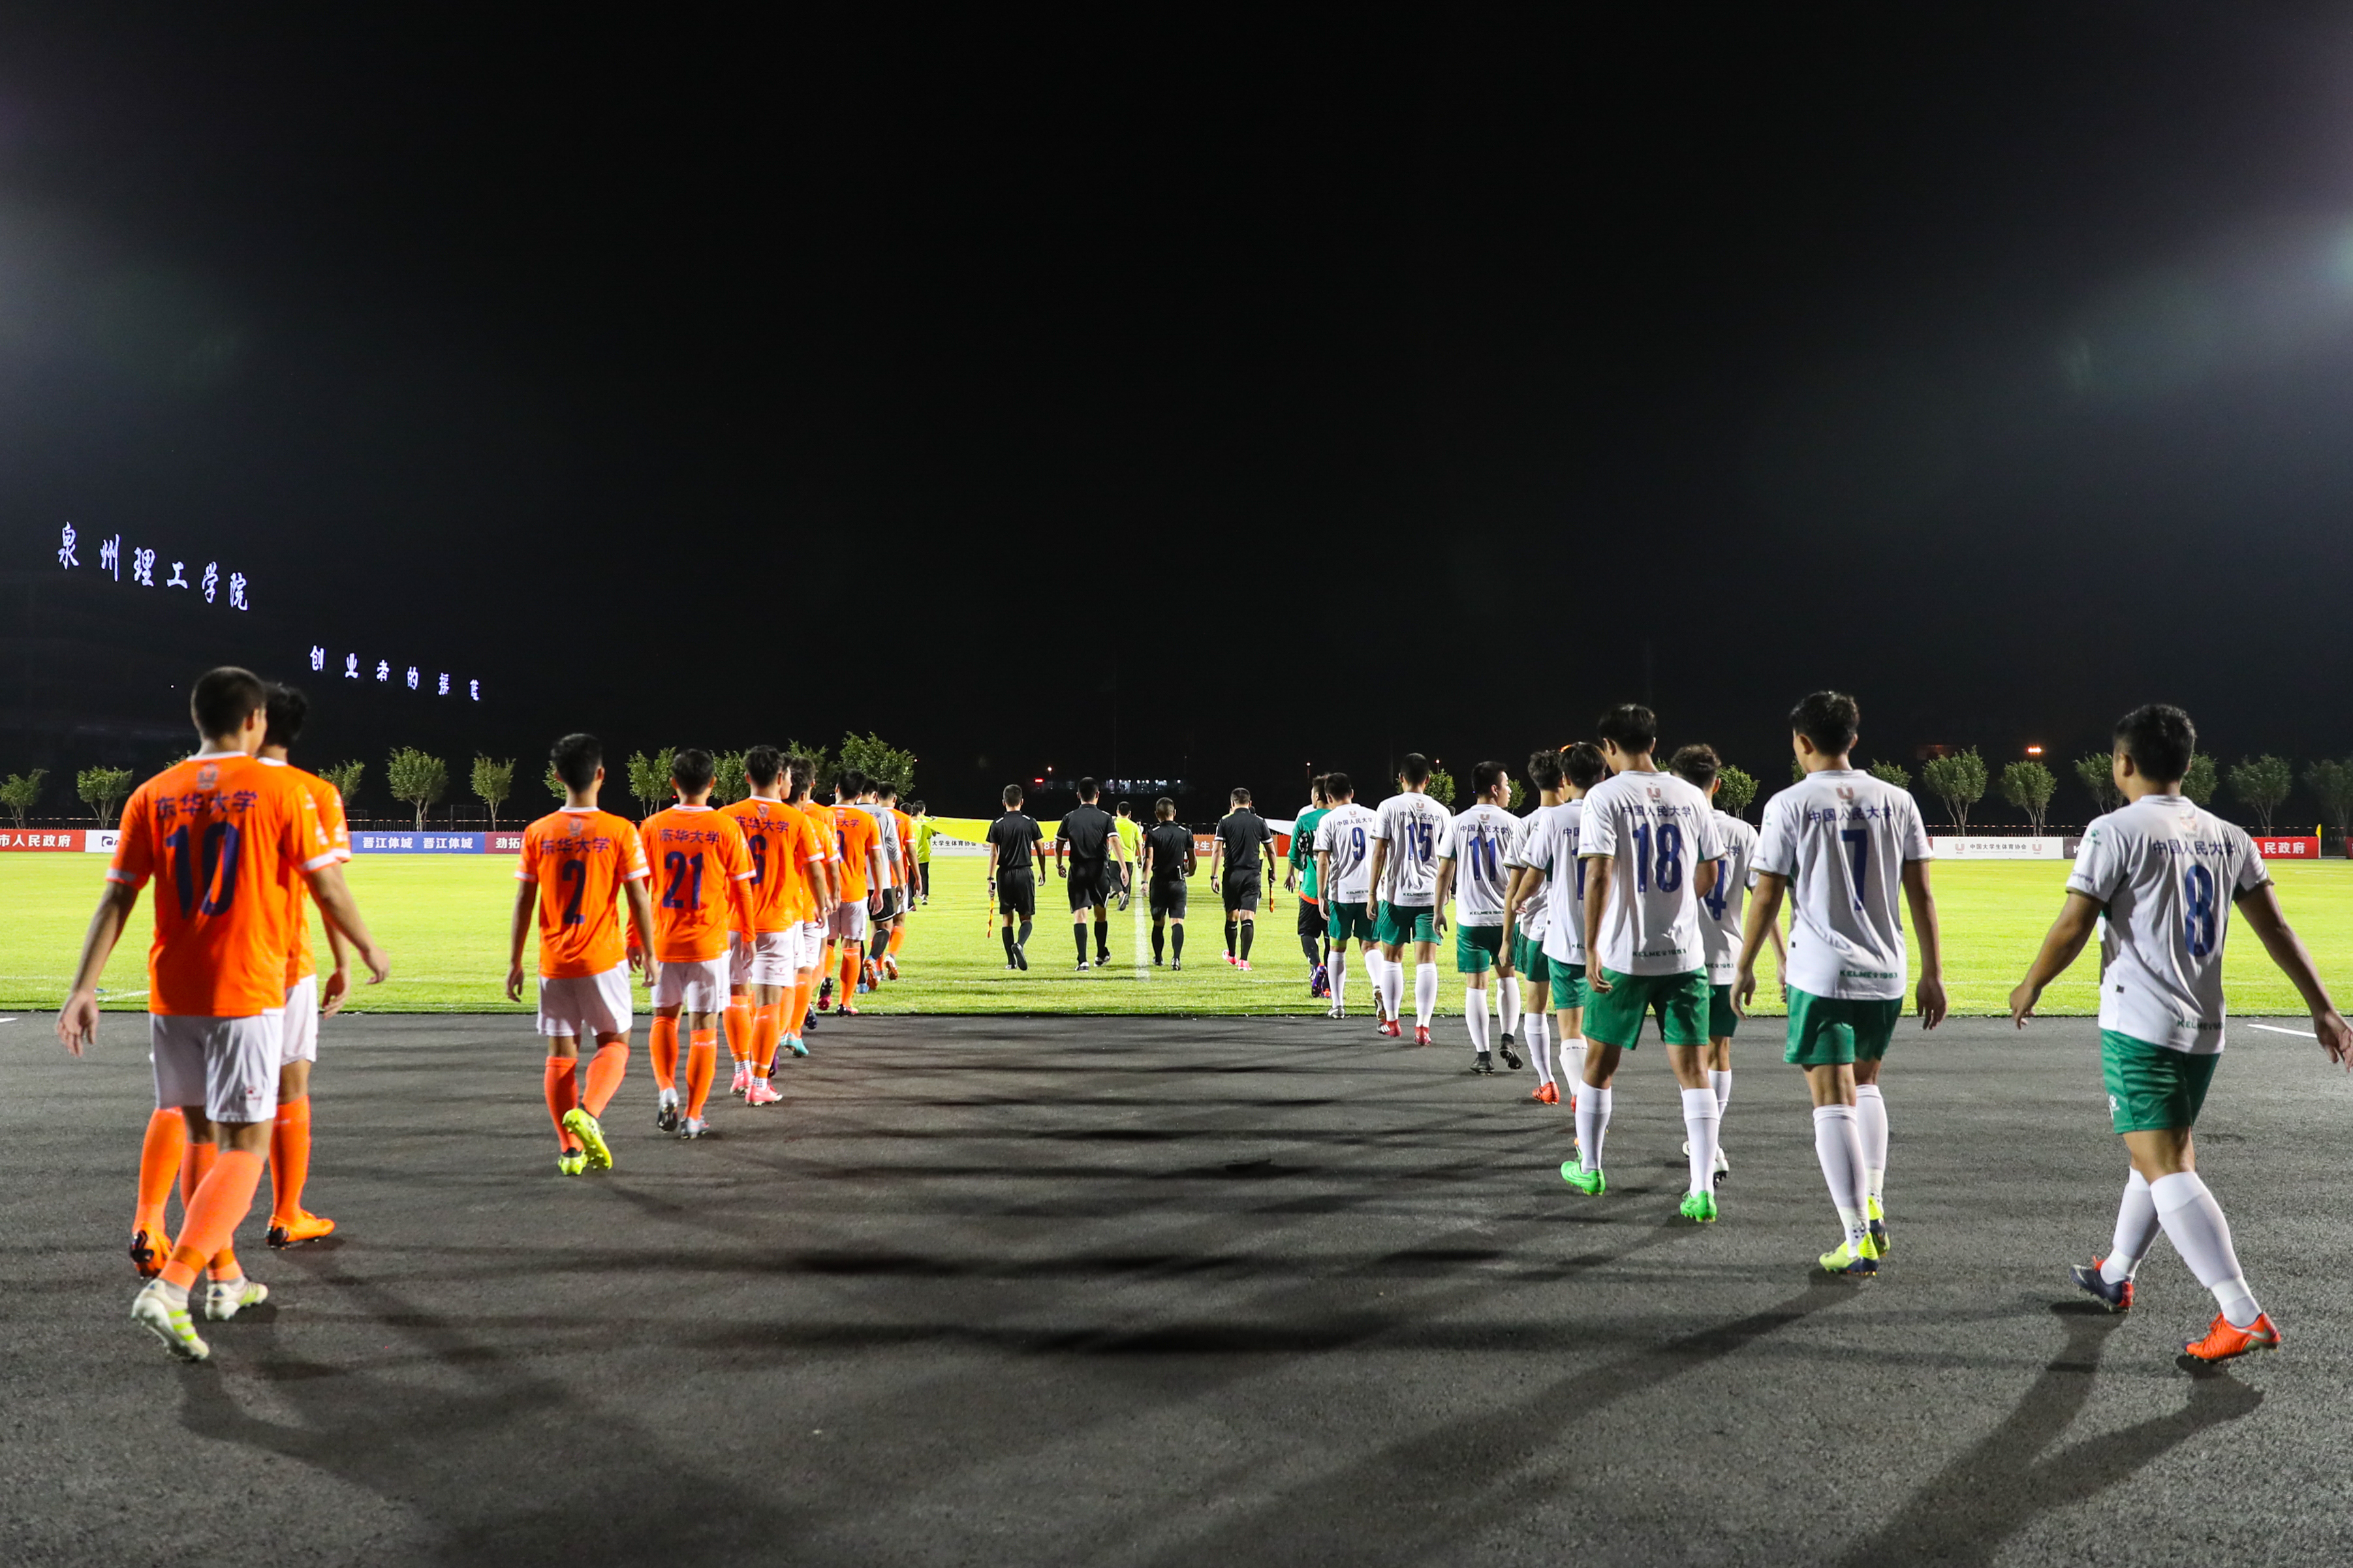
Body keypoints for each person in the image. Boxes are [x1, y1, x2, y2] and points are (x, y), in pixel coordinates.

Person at [59, 666, 389, 1361]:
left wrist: (83, 987)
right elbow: (327, 885)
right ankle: (174, 1285)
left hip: (172, 993)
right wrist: (364, 947)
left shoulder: (153, 793)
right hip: (245, 987)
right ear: (254, 720)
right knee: (246, 1145)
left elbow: (117, 896)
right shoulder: (283, 789)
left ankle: (225, 1277)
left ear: (196, 718)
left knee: (199, 1133)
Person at [2010, 703, 2352, 1361]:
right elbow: (2276, 929)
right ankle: (2115, 1272)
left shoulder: (2113, 830)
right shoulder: (2229, 835)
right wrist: (2323, 1007)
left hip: (2140, 1026)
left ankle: (2240, 1312)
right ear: (2187, 764)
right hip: (2203, 1029)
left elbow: (2074, 923)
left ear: (2122, 763)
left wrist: (2031, 983)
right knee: (2156, 1153)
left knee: (2166, 1164)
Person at [1735, 691, 1944, 1276]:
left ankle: (1856, 1239)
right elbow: (1922, 894)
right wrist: (1932, 972)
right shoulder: (1897, 800)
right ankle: (1872, 1202)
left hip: (1821, 971)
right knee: (1867, 1083)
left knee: (1830, 1098)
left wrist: (1745, 964)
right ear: (1853, 737)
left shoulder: (1788, 803)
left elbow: (1766, 893)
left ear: (1801, 742)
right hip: (1886, 970)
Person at [1565, 705, 1725, 1223]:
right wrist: (1675, 906)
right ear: (1653, 743)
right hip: (1683, 956)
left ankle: (1590, 1167)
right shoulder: (1689, 794)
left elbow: (1598, 874)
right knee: (1694, 1071)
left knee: (1599, 1064)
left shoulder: (1604, 796)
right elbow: (1710, 870)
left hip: (1623, 955)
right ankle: (1701, 1189)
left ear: (1608, 747)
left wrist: (1591, 945)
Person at [508, 732, 657, 1176]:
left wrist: (515, 961)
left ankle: (570, 1152)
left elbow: (523, 900)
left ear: (557, 777)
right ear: (601, 775)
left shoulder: (538, 832)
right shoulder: (619, 830)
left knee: (561, 1053)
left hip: (554, 962)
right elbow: (639, 896)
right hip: (602, 958)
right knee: (614, 1042)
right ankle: (588, 1113)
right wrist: (649, 952)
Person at [253, 683, 354, 1249]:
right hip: (286, 960)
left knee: (202, 1100)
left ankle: (178, 1230)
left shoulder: (212, 787)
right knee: (289, 1086)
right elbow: (327, 886)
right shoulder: (314, 792)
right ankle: (286, 1211)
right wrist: (346, 959)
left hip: (208, 965)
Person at [1670, 743, 1779, 1185]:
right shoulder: (1742, 832)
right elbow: (1765, 900)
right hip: (1725, 957)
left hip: (1677, 959)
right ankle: (1709, 1143)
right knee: (1719, 1053)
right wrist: (1781, 959)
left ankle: (1706, 1145)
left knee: (1688, 1060)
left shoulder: (1671, 827)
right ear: (1716, 785)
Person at [638, 750, 755, 1139]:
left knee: (664, 1018)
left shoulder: (653, 825)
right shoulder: (725, 827)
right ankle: (693, 1116)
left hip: (664, 941)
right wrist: (749, 934)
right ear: (713, 783)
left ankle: (666, 1088)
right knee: (704, 1029)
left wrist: (634, 937)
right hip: (709, 943)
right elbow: (742, 889)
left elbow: (640, 890)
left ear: (673, 783)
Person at [720, 745, 830, 1107]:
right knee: (769, 1003)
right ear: (783, 778)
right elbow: (815, 869)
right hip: (779, 922)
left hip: (734, 920)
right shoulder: (797, 820)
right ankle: (759, 1083)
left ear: (747, 776)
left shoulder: (726, 817)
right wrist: (823, 904)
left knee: (736, 996)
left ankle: (740, 1070)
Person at [1433, 761, 1521, 1075]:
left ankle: (1483, 1055)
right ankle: (1508, 1038)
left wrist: (1438, 910)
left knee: (1476, 986)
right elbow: (1523, 872)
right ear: (1495, 789)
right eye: (1506, 785)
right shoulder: (1514, 824)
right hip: (1506, 917)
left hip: (1471, 919)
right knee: (1507, 977)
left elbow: (1444, 871)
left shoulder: (1458, 823)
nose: (1509, 790)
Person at [1363, 754, 1452, 1043]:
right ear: (1428, 779)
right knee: (1427, 961)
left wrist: (1371, 893)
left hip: (1395, 895)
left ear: (1401, 778)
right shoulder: (1442, 812)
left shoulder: (1388, 807)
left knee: (1392, 959)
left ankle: (1392, 1021)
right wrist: (1446, 892)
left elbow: (1379, 852)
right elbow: (1448, 858)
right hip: (1430, 896)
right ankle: (1423, 1027)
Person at [1501, 748, 1565, 1104]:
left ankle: (1547, 1081)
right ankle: (1584, 1090)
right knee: (1576, 1015)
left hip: (1537, 927)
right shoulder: (1585, 817)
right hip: (1577, 931)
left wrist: (1506, 939)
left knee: (1536, 1008)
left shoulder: (1526, 824)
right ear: (1564, 778)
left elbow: (1514, 888)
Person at [1314, 773, 1382, 1022]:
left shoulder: (1328, 820)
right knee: (1371, 946)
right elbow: (1382, 853)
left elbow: (1323, 860)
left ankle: (1338, 1005)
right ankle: (1378, 986)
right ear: (1352, 793)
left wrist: (1321, 894)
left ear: (1328, 797)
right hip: (1370, 892)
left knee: (1337, 948)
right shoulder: (1373, 816)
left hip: (1341, 894)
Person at [820, 769, 887, 1017]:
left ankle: (825, 977)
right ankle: (845, 1002)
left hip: (825, 892)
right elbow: (876, 859)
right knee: (851, 947)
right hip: (855, 892)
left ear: (837, 788)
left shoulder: (821, 815)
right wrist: (878, 890)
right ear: (859, 795)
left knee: (826, 944)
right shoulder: (867, 820)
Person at [786, 756, 840, 1044]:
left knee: (770, 977)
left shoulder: (764, 819)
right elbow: (827, 866)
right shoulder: (818, 821)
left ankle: (758, 1048)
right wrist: (832, 895)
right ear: (811, 785)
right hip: (808, 905)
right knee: (812, 962)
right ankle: (795, 1024)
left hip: (774, 908)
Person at [1055, 777, 1130, 970]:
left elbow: (1059, 843)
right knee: (1100, 913)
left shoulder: (1069, 817)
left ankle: (1082, 961)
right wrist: (1123, 868)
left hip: (1078, 870)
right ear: (1098, 795)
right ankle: (1100, 954)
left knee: (1080, 916)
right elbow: (1114, 841)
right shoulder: (1105, 818)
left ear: (1078, 795)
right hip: (1099, 871)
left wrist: (1059, 864)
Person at [1207, 787, 1275, 970]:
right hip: (1253, 874)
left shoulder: (1225, 821)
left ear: (1232, 803)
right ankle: (1244, 961)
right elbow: (1271, 850)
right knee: (1248, 916)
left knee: (1232, 916)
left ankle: (1232, 955)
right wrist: (1273, 871)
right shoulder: (1260, 822)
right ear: (1250, 803)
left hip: (1232, 875)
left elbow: (1217, 850)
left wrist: (1214, 876)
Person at [986, 784, 1047, 969]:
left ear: (1004, 802)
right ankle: (1019, 944)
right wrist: (1043, 871)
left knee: (1007, 919)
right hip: (1024, 873)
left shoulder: (997, 824)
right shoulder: (1030, 822)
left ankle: (1011, 962)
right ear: (1022, 801)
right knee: (1026, 918)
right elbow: (1041, 850)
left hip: (1004, 874)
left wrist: (990, 879)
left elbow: (994, 854)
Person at [1286, 777, 1332, 998]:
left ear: (1316, 796)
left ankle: (1316, 965)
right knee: (1332, 940)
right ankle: (1329, 986)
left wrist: (1304, 867)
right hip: (1337, 892)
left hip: (1311, 889)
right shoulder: (1340, 819)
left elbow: (1294, 856)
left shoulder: (1304, 820)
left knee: (1306, 932)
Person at [1143, 797, 1196, 967]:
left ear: (1157, 814)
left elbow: (1149, 859)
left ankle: (1159, 958)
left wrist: (1144, 881)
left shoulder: (1153, 832)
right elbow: (1192, 859)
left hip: (1159, 883)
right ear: (1174, 813)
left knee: (1158, 923)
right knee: (1177, 921)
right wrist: (1191, 871)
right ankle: (1176, 959)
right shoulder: (1185, 832)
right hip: (1178, 883)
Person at [911, 801, 935, 905]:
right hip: (924, 851)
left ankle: (910, 897)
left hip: (911, 852)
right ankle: (924, 896)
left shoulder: (909, 821)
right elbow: (932, 834)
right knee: (924, 875)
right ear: (924, 810)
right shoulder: (928, 821)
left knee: (911, 876)